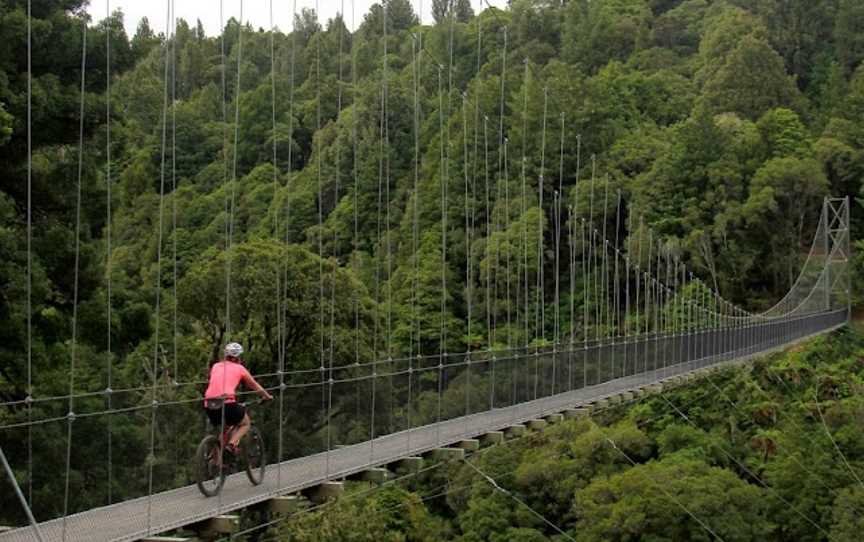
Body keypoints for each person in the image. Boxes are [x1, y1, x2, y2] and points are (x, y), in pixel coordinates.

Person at [203, 342, 272, 453]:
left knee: (224, 430)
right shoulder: (240, 368)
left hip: (209, 404)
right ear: (238, 357)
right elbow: (254, 385)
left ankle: (217, 461)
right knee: (245, 423)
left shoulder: (216, 366)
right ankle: (231, 444)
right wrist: (267, 396)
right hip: (227, 402)